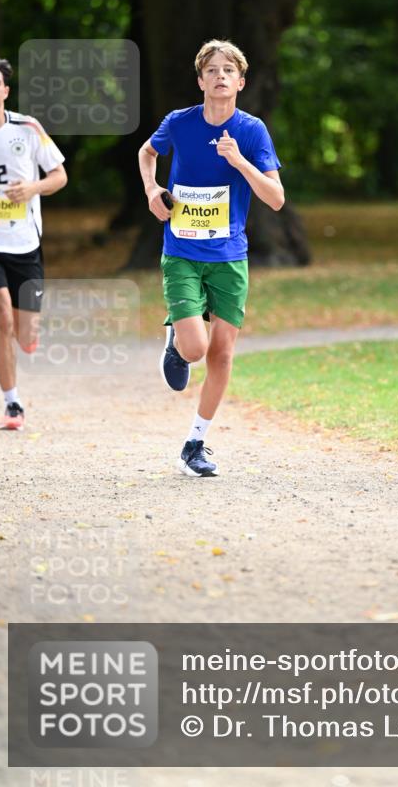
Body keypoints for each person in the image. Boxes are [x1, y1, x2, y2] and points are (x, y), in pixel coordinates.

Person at [138, 39, 284, 478]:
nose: (220, 76)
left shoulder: (252, 131)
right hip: (181, 251)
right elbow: (147, 153)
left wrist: (240, 162)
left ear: (241, 81)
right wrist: (151, 190)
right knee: (197, 349)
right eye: (212, 70)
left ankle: (195, 442)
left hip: (229, 256)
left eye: (228, 70)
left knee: (221, 355)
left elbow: (275, 199)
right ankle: (178, 342)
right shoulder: (179, 124)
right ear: (200, 80)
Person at [0, 54, 67, 429]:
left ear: (5, 90)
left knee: (24, 332)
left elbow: (59, 176)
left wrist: (32, 188)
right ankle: (12, 403)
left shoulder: (28, 127)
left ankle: (28, 335)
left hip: (24, 242)